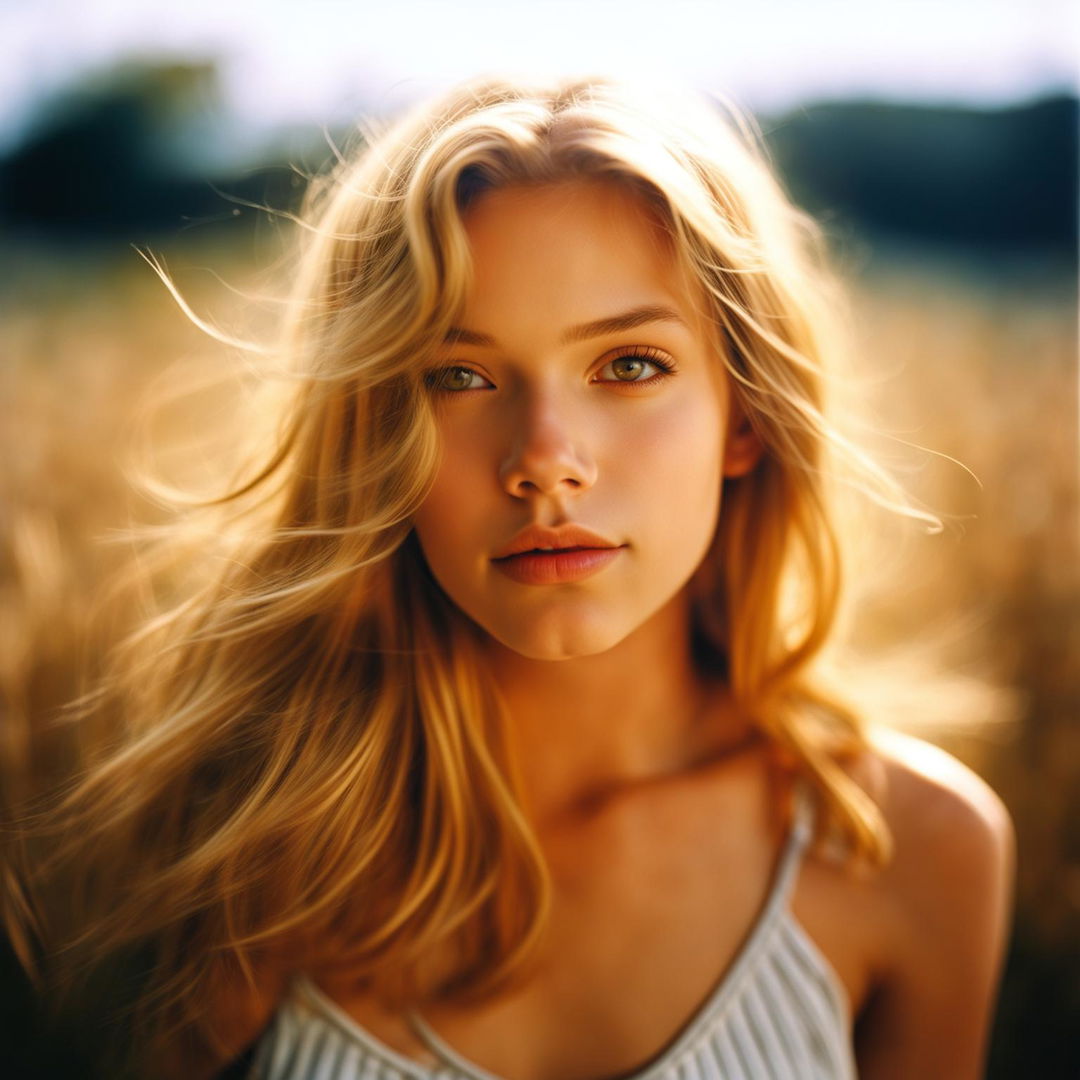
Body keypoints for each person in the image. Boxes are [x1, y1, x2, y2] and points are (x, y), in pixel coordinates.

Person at [4, 74, 1015, 1080]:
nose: (544, 457)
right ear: (373, 434)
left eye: (628, 365)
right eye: (458, 375)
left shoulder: (918, 851)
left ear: (743, 418)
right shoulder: (243, 846)